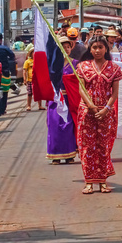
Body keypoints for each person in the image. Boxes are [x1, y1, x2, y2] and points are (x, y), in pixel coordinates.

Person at [76, 36, 122, 194]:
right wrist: (90, 106)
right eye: (94, 47)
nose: (97, 50)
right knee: (87, 146)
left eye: (100, 47)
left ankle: (103, 181)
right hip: (87, 111)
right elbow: (81, 89)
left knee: (104, 146)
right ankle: (89, 181)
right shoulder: (82, 66)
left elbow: (114, 93)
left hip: (105, 112)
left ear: (106, 49)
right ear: (89, 50)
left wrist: (106, 108)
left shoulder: (114, 68)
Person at [47, 37, 79, 165]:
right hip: (55, 99)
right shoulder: (52, 65)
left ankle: (70, 154)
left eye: (67, 46)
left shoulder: (76, 64)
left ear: (71, 48)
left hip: (70, 98)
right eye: (62, 46)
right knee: (54, 126)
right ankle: (55, 155)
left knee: (69, 126)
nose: (65, 49)